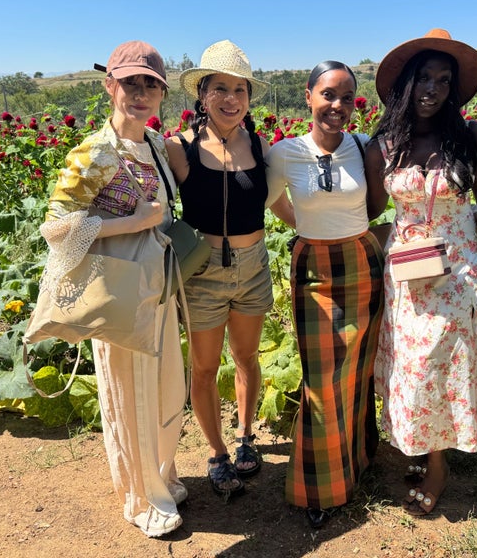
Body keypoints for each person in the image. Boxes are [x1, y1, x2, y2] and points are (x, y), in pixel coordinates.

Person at [368, 29, 477, 516]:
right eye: (424, 78)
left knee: (442, 366)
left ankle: (437, 466)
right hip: (408, 275)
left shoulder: (470, 137)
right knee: (413, 366)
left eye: (443, 80)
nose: (432, 89)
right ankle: (423, 446)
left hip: (459, 273)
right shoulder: (384, 145)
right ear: (406, 83)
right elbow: (370, 213)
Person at [41, 40, 187, 537]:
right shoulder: (95, 153)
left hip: (157, 287)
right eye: (130, 83)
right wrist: (132, 223)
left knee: (164, 385)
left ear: (161, 93)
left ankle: (163, 474)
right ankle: (141, 497)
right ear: (110, 86)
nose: (140, 94)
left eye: (151, 85)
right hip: (119, 290)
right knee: (130, 393)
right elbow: (56, 228)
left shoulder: (156, 146)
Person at [165, 40, 291, 498]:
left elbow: (279, 204)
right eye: (220, 88)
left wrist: (323, 231)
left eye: (240, 89)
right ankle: (217, 453)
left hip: (253, 266)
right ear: (202, 94)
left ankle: (244, 437)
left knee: (246, 357)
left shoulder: (261, 147)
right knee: (202, 367)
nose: (231, 98)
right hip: (201, 273)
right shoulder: (178, 149)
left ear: (249, 98)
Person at [265, 60, 387, 529]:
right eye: (328, 95)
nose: (338, 105)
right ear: (309, 96)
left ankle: (357, 462)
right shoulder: (285, 153)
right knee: (321, 380)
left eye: (347, 98)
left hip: (361, 264)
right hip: (313, 270)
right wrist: (304, 225)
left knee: (356, 372)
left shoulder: (364, 146)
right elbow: (272, 200)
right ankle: (320, 488)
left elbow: (375, 205)